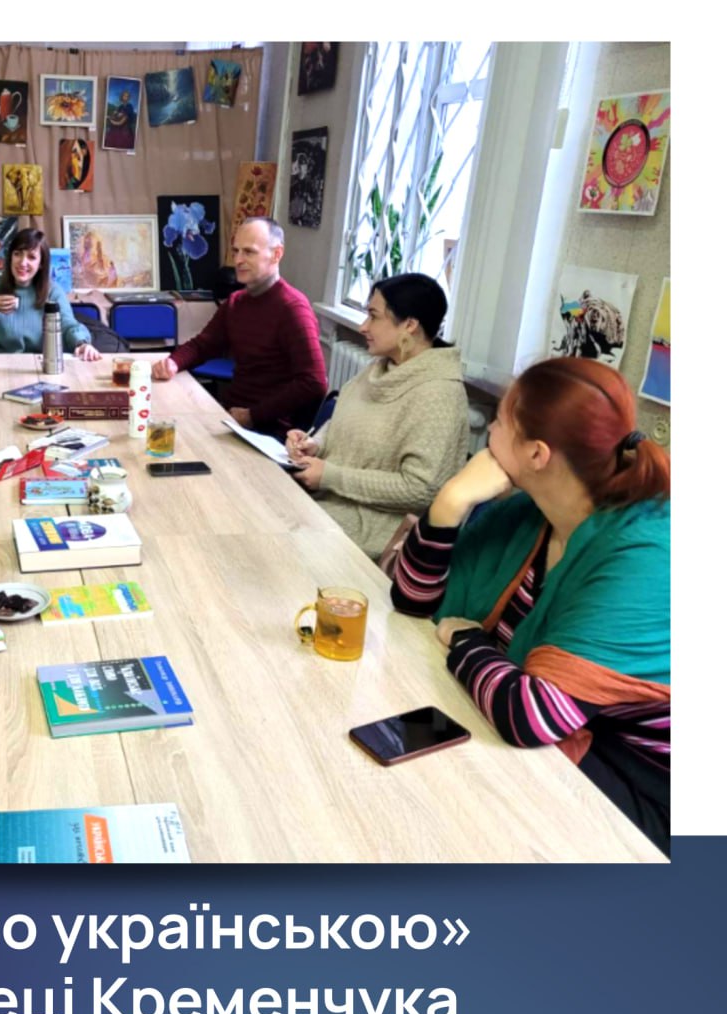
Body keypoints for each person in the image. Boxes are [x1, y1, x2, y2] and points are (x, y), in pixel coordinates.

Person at [390, 358, 670, 853]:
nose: (489, 433)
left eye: (499, 422)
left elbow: (532, 715)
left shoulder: (645, 554)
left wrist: (465, 638)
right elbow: (411, 599)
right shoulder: (530, 511)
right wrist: (450, 503)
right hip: (529, 731)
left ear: (537, 453)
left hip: (641, 786)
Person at [284, 273, 469, 559]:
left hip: (371, 535)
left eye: (373, 316)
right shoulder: (382, 367)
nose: (363, 326)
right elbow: (346, 420)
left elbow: (421, 489)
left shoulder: (440, 395)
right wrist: (315, 444)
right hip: (327, 506)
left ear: (409, 325)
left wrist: (331, 476)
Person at [152, 217, 327, 438]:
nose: (238, 260)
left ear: (276, 254)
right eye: (236, 251)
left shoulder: (293, 308)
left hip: (269, 431)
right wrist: (174, 362)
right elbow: (203, 345)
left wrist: (253, 415)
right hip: (232, 417)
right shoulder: (236, 302)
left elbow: (314, 382)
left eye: (249, 252)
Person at [0, 228, 102, 359]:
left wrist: (82, 344)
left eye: (31, 257)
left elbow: (69, 326)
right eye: (17, 254)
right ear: (10, 257)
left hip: (40, 366)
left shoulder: (53, 292)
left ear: (41, 263)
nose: (22, 262)